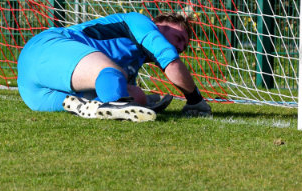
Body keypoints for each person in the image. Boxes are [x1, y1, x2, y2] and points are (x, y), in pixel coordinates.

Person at [17, 12, 212, 122]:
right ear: (159, 25)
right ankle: (112, 104)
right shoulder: (139, 21)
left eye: (183, 47)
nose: (179, 47)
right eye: (179, 38)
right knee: (113, 75)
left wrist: (143, 101)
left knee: (131, 93)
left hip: (37, 95)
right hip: (45, 49)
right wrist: (195, 100)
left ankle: (94, 106)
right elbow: (171, 62)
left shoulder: (133, 61)